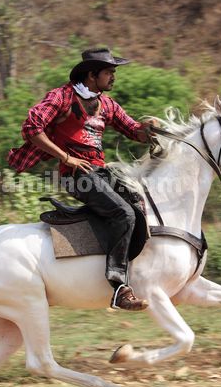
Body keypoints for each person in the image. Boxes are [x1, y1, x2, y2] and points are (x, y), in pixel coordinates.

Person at [8, 47, 154, 311]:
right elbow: (31, 128)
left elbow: (133, 130)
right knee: (124, 214)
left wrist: (151, 130)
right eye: (109, 72)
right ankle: (119, 288)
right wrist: (66, 158)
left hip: (101, 172)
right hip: (76, 175)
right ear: (90, 75)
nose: (113, 77)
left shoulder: (107, 104)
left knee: (141, 203)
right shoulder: (62, 97)